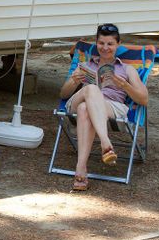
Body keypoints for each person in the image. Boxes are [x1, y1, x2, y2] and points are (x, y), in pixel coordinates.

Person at [59, 23, 148, 191]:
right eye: (101, 43)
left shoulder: (127, 69)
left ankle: (81, 167)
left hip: (111, 107)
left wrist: (125, 86)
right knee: (91, 89)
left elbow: (144, 99)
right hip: (78, 100)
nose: (105, 48)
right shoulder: (85, 66)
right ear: (96, 43)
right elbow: (63, 94)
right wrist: (74, 81)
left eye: (110, 44)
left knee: (85, 109)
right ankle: (105, 142)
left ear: (118, 44)